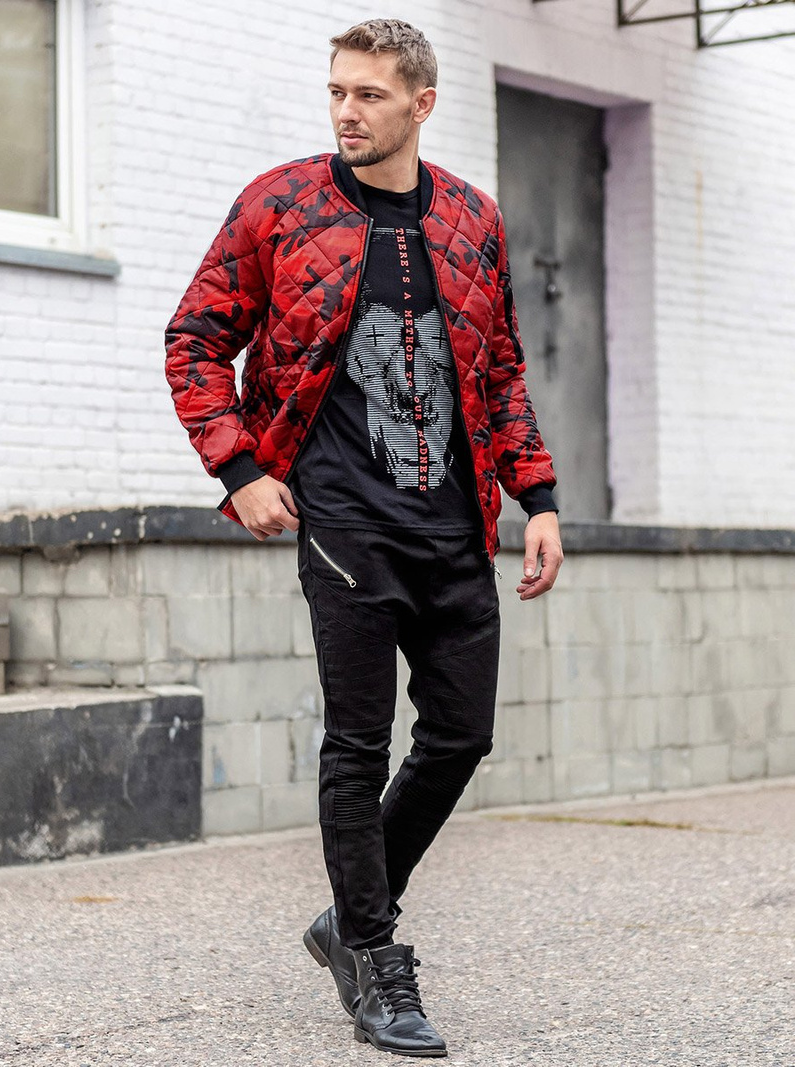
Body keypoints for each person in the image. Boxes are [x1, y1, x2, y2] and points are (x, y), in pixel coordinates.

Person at [165, 18, 563, 1058]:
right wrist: (239, 468)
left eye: (370, 94)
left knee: (461, 735)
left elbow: (499, 371)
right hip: (342, 517)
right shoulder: (281, 204)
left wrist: (538, 496)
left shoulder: (473, 218)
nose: (347, 111)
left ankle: (346, 917)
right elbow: (196, 339)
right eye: (337, 91)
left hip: (454, 521)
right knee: (358, 741)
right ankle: (377, 960)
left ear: (420, 104)